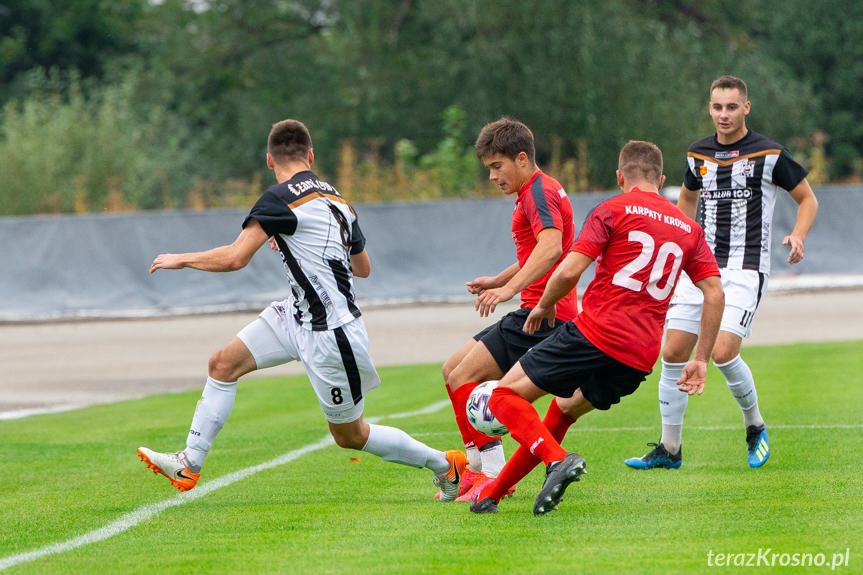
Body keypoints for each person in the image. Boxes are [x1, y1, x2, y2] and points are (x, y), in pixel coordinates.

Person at [137, 119, 466, 501]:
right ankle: (189, 462)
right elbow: (363, 268)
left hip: (330, 332)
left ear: (268, 159)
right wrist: (299, 244)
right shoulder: (338, 200)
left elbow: (234, 258)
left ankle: (446, 464)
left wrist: (181, 258)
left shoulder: (279, 197)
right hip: (295, 314)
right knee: (223, 364)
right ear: (311, 156)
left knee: (350, 436)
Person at [469, 140, 724, 515]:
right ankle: (492, 495)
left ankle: (557, 461)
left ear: (620, 176)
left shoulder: (612, 209)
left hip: (596, 334)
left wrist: (544, 304)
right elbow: (714, 293)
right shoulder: (689, 228)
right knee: (562, 411)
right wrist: (701, 358)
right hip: (639, 357)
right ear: (662, 178)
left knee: (503, 397)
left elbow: (570, 269)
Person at [625, 75, 819, 470]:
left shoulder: (769, 154)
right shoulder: (698, 154)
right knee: (673, 352)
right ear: (709, 108)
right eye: (717, 107)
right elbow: (687, 197)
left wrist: (798, 236)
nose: (724, 114)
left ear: (746, 108)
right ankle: (669, 449)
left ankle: (754, 426)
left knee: (724, 352)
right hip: (700, 267)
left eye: (732, 107)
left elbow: (807, 199)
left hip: (746, 268)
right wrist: (678, 238)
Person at [440, 117, 578, 502]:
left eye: (496, 167)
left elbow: (551, 249)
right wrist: (499, 281)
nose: (492, 177)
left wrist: (508, 292)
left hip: (543, 314)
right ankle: (474, 472)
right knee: (452, 369)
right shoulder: (538, 191)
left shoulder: (537, 192)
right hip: (537, 309)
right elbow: (538, 251)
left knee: (465, 377)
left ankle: (495, 475)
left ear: (521, 158)